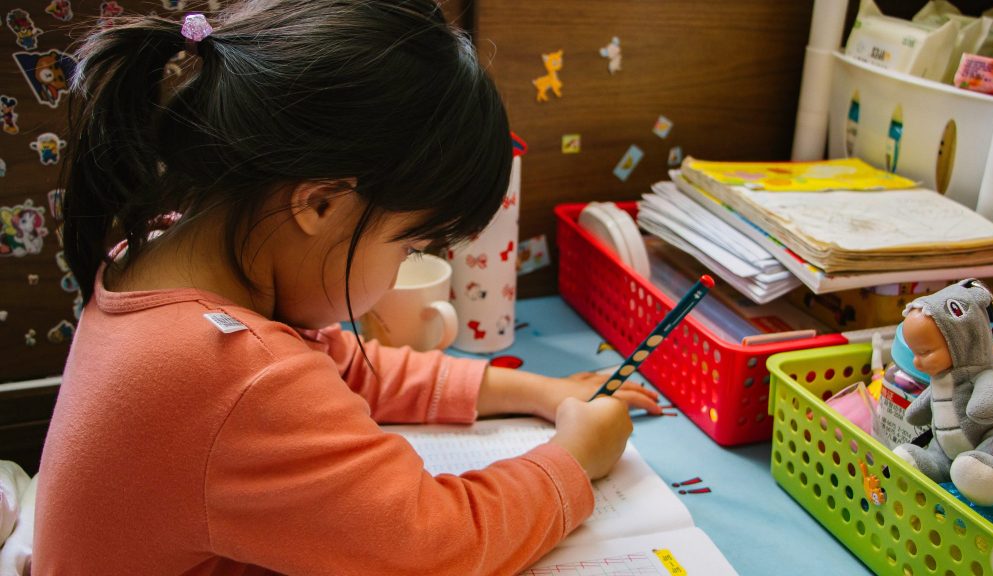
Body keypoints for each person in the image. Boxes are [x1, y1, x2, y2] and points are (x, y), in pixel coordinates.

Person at [35, 2, 661, 574]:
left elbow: (340, 369)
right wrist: (573, 462)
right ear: (321, 201)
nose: (400, 271)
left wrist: (534, 391)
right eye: (410, 246)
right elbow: (437, 545)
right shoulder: (234, 371)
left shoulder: (160, 257)